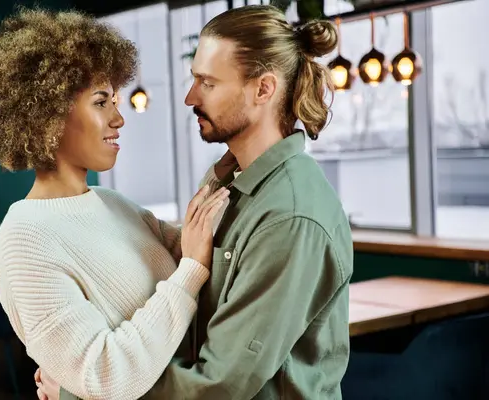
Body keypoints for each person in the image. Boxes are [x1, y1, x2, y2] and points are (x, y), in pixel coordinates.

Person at [38, 4, 354, 400]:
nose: (190, 97)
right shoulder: (228, 178)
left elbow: (219, 386)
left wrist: (78, 392)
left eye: (207, 83)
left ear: (263, 89)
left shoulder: (289, 218)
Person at [0, 7, 231, 400]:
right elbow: (106, 376)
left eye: (116, 101)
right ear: (48, 114)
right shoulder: (24, 238)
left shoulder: (112, 203)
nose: (119, 118)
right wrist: (189, 272)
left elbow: (203, 249)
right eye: (102, 102)